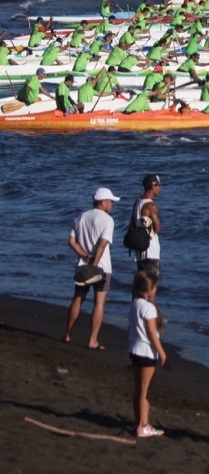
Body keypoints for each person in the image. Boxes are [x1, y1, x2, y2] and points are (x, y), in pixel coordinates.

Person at [63, 186, 120, 351]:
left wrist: (85, 256)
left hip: (82, 265)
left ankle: (67, 333)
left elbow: (71, 242)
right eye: (111, 201)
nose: (112, 204)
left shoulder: (80, 217)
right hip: (101, 267)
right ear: (103, 202)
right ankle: (92, 340)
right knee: (99, 302)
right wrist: (94, 264)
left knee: (78, 298)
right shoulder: (107, 220)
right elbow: (102, 245)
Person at [128, 268, 167, 438]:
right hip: (145, 351)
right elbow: (152, 333)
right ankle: (143, 424)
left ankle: (139, 422)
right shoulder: (148, 308)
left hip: (134, 349)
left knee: (139, 389)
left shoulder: (135, 304)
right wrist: (163, 354)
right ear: (149, 289)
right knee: (145, 390)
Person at [130, 174, 162, 280]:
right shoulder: (150, 205)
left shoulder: (138, 201)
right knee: (151, 285)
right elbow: (157, 229)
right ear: (153, 187)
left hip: (140, 249)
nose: (160, 188)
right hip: (150, 249)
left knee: (141, 283)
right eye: (158, 185)